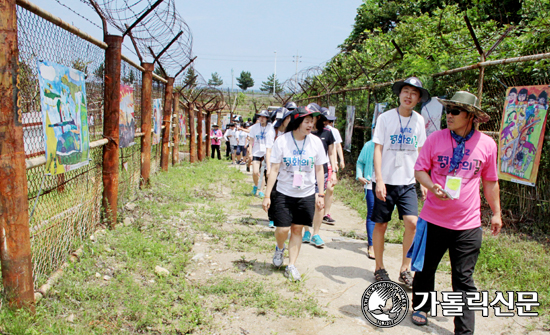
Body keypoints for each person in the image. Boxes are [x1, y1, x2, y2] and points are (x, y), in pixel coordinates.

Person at [409, 91, 501, 334]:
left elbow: (490, 181)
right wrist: (431, 186)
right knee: (425, 268)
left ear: (470, 116)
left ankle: (464, 330)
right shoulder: (435, 139)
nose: (448, 115)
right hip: (433, 219)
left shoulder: (487, 145)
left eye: (455, 111)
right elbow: (420, 171)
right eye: (447, 110)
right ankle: (421, 307)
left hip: (468, 225)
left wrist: (496, 213)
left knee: (463, 280)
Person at [372, 76, 428, 286]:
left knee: (413, 223)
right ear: (399, 93)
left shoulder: (419, 121)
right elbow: (378, 148)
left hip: (407, 181)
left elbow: (421, 150)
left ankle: (405, 268)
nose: (409, 96)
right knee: (381, 224)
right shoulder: (385, 118)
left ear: (418, 99)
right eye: (406, 91)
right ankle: (379, 267)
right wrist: (379, 179)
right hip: (385, 181)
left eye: (414, 93)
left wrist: (423, 180)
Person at [262, 107, 326, 281]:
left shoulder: (316, 142)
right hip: (284, 192)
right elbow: (274, 170)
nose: (310, 125)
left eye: (312, 122)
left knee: (297, 229)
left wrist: (320, 194)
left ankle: (291, 265)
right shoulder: (282, 141)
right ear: (297, 122)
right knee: (282, 229)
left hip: (305, 193)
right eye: (307, 121)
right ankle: (280, 247)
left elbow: (319, 169)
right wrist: (267, 195)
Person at [302, 104, 336, 248]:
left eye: (314, 117)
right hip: (304, 172)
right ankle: (306, 231)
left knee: (319, 202)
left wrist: (333, 172)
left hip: (321, 171)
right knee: (304, 203)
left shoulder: (327, 132)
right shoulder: (302, 132)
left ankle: (316, 233)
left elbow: (332, 153)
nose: (311, 120)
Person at [320, 107, 344, 225]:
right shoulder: (315, 132)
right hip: (318, 165)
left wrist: (338, 162)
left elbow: (336, 147)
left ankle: (326, 213)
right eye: (326, 121)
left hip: (329, 164)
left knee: (330, 188)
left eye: (330, 121)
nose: (328, 123)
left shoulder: (332, 132)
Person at [356, 126, 376, 259]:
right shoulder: (369, 145)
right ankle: (372, 245)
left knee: (383, 217)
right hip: (370, 184)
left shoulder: (391, 147)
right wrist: (360, 176)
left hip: (388, 185)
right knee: (372, 214)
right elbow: (360, 162)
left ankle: (378, 241)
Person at [248, 110, 275, 198]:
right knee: (255, 172)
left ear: (267, 118)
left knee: (262, 172)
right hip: (256, 151)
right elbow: (251, 140)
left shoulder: (270, 127)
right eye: (260, 117)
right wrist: (250, 152)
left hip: (266, 152)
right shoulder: (254, 127)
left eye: (264, 117)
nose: (262, 119)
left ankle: (261, 190)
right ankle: (256, 186)